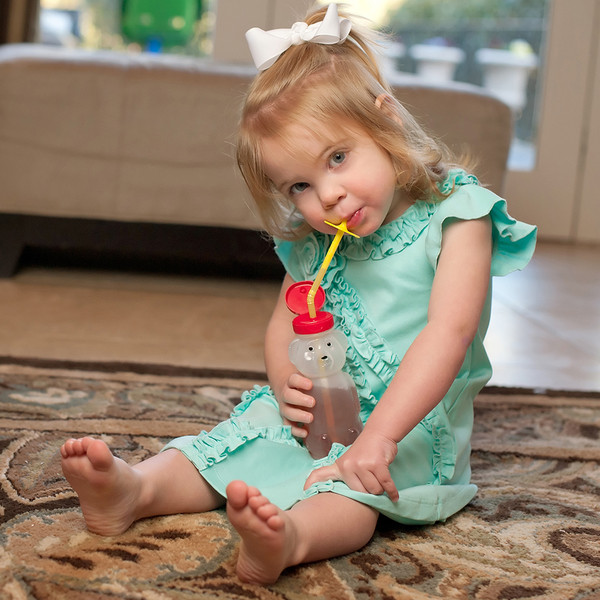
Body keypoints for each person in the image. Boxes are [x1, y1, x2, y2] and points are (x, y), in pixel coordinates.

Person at [60, 4, 537, 586]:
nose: (328, 196)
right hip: (329, 409)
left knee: (352, 493)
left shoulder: (458, 216)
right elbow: (284, 320)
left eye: (338, 158)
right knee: (242, 434)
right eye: (301, 186)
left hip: (411, 425)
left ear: (384, 122)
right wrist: (286, 383)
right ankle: (138, 489)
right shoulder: (322, 238)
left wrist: (378, 439)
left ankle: (291, 538)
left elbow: (450, 333)